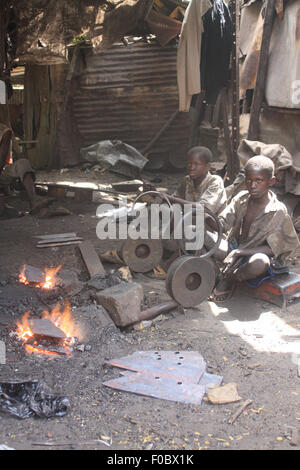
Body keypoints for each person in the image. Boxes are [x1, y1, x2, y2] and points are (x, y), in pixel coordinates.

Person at [205, 155, 300, 301]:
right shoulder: (241, 198)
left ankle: (229, 278)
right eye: (248, 180)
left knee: (260, 262)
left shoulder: (277, 210)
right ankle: (217, 273)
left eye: (259, 181)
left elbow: (274, 249)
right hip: (234, 249)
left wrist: (240, 252)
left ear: (271, 181)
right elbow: (222, 224)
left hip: (256, 256)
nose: (252, 185)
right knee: (199, 235)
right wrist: (204, 217)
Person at [0, 122, 53, 218]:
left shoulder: (4, 131)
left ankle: (34, 200)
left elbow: (2, 158)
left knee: (23, 163)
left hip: (2, 171)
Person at [175, 146, 227, 214]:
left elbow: (203, 208)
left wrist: (173, 199)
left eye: (197, 164)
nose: (192, 167)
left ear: (208, 166)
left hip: (212, 222)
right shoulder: (187, 180)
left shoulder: (215, 181)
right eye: (189, 163)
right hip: (192, 219)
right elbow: (175, 198)